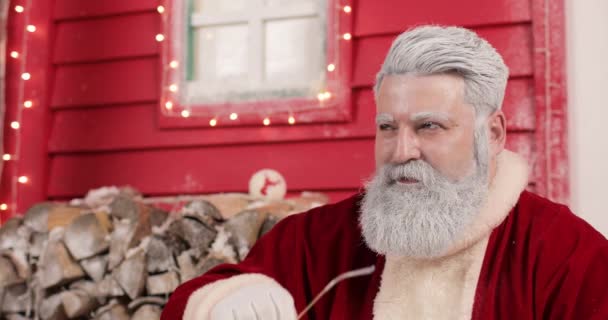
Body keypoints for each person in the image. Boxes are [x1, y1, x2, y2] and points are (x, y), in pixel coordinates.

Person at [161, 25, 608, 320]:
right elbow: (188, 302)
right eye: (387, 128)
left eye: (429, 126)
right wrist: (223, 303)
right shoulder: (317, 241)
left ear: (491, 134)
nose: (401, 150)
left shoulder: (565, 254)